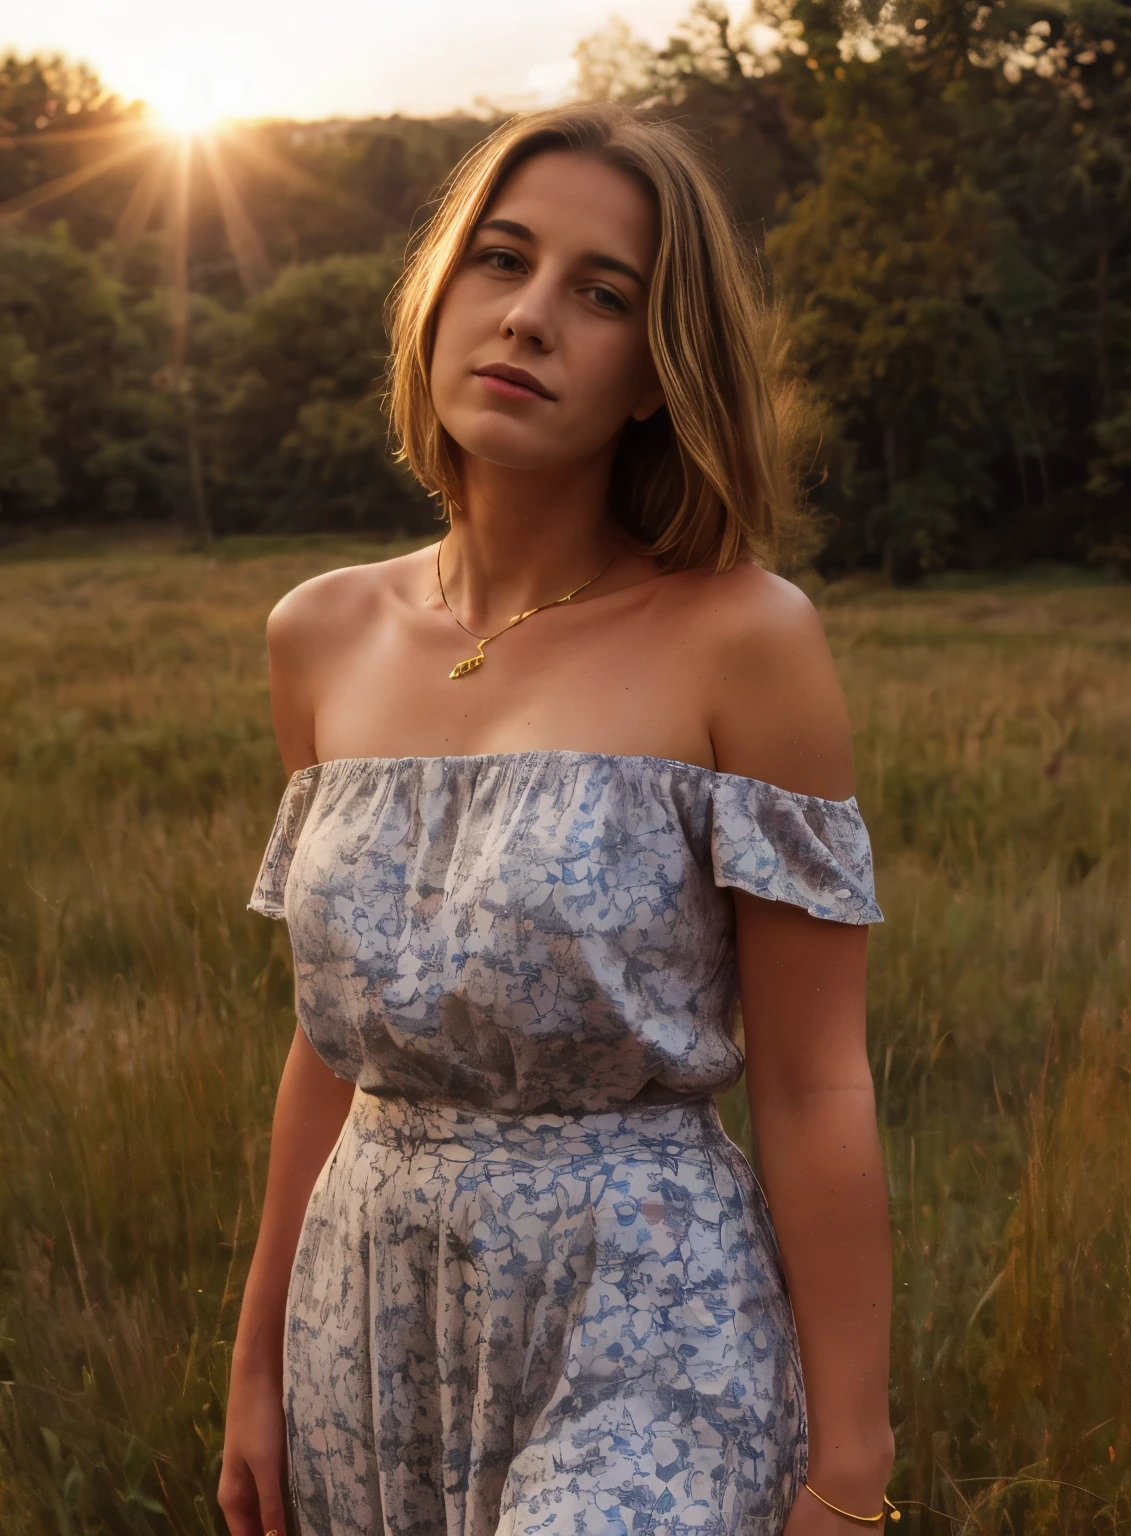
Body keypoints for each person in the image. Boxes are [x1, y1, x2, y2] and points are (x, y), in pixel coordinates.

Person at [218, 103, 896, 1536]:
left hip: (646, 1309)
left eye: (603, 296)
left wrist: (851, 1474)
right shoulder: (320, 635)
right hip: (371, 1309)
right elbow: (333, 1037)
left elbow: (815, 1080)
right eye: (502, 261)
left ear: (656, 375)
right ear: (439, 291)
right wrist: (256, 1361)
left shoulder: (744, 639)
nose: (529, 318)